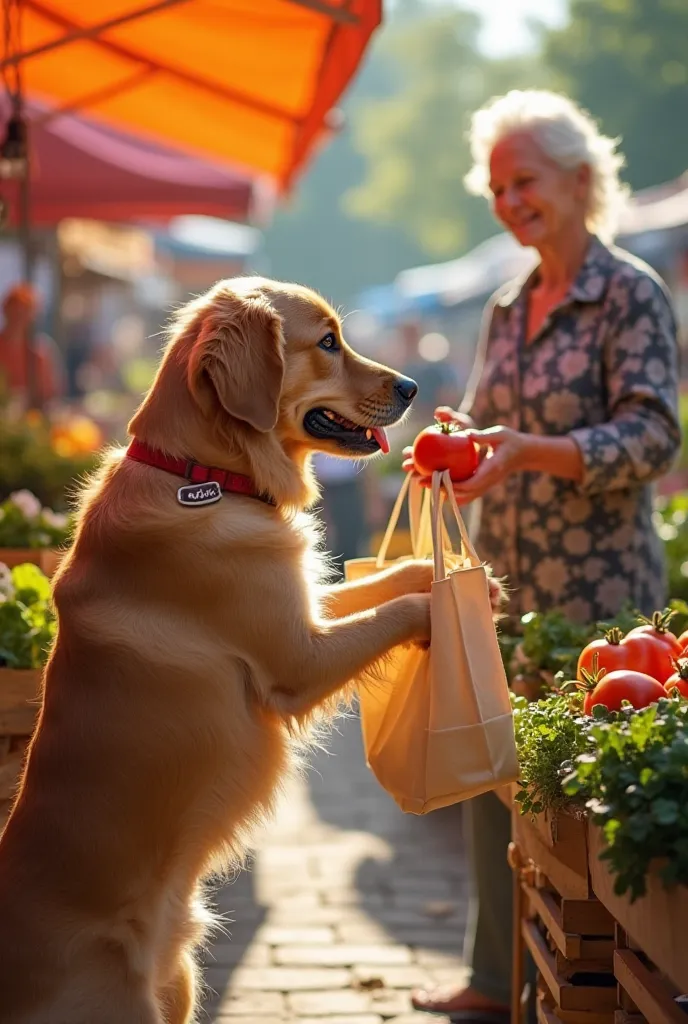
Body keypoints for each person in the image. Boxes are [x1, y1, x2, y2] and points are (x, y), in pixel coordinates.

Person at [408, 89, 681, 1021]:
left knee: (587, 810)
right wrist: (471, 446)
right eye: (495, 187)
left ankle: (595, 993)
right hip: (509, 584)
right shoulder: (506, 303)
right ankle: (495, 979)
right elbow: (498, 430)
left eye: (523, 180)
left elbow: (654, 439)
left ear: (578, 179)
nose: (509, 200)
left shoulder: (631, 294)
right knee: (499, 782)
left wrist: (539, 454)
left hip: (603, 602)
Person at [0, 283, 64, 407]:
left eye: (23, 313)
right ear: (5, 311)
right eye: (14, 312)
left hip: (32, 419)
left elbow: (52, 393)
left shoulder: (40, 351)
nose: (17, 319)